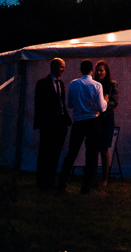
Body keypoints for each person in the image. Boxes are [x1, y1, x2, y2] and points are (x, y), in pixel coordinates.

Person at [58, 59, 107, 194]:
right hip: (92, 121)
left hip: (78, 122)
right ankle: (85, 187)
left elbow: (69, 104)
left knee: (71, 153)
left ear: (80, 69)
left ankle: (61, 183)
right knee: (91, 155)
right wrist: (106, 102)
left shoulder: (74, 84)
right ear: (92, 69)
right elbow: (101, 107)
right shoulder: (97, 85)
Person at [34, 58, 72, 190]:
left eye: (64, 67)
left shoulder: (61, 84)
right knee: (45, 152)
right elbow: (39, 105)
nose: (63, 69)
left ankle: (50, 180)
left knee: (55, 153)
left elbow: (62, 103)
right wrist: (43, 122)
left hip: (60, 124)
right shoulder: (42, 83)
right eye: (61, 67)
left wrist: (66, 119)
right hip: (48, 123)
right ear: (54, 67)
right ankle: (41, 181)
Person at [93, 60, 119, 188]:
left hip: (106, 118)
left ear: (106, 71)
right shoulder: (93, 84)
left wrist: (105, 103)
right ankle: (92, 178)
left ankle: (105, 178)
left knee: (104, 149)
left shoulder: (112, 84)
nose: (99, 73)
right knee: (93, 148)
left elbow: (115, 102)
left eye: (101, 70)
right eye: (97, 70)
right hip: (94, 118)